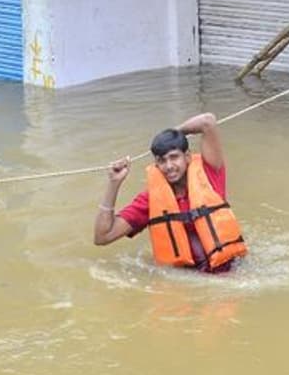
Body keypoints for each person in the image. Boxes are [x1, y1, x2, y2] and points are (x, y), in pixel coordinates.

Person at [93, 112, 246, 272]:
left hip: (233, 272)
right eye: (162, 160)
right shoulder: (151, 200)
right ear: (156, 164)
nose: (169, 166)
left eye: (174, 157)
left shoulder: (210, 174)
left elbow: (207, 121)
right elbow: (102, 237)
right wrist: (114, 183)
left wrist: (173, 133)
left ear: (187, 157)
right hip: (189, 277)